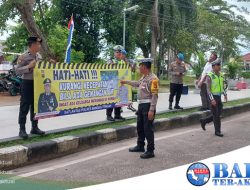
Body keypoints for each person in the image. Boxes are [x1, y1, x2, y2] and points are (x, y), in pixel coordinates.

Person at [121, 58, 159, 159]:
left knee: (148, 129)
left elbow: (155, 95)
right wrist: (125, 82)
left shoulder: (153, 79)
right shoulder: (144, 77)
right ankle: (140, 145)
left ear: (144, 67)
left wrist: (151, 110)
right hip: (141, 105)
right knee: (140, 127)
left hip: (148, 105)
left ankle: (150, 150)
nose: (139, 68)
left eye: (140, 66)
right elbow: (137, 83)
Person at [16, 36, 45, 139]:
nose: (39, 46)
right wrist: (28, 67)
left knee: (36, 106)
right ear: (32, 45)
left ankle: (34, 127)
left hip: (37, 84)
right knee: (24, 107)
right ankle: (22, 129)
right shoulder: (23, 57)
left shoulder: (39, 56)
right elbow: (17, 70)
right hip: (27, 83)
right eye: (38, 44)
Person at [199, 58, 227, 137]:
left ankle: (204, 121)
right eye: (218, 65)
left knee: (218, 113)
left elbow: (222, 86)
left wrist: (225, 94)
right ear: (213, 66)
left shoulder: (221, 75)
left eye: (219, 65)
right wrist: (212, 99)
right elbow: (208, 89)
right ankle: (217, 131)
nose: (219, 66)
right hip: (212, 97)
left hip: (219, 96)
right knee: (216, 115)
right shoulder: (209, 75)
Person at [106, 45, 125, 121]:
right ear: (114, 52)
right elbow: (107, 67)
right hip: (111, 83)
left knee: (119, 100)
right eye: (117, 52)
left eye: (120, 52)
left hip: (120, 83)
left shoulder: (123, 61)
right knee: (111, 99)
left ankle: (117, 115)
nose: (119, 53)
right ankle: (109, 115)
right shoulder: (110, 60)